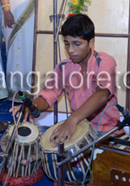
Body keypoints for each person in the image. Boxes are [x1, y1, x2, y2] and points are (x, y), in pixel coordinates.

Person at [11, 14, 120, 144]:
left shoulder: (105, 62)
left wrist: (72, 120)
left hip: (106, 129)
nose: (70, 50)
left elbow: (102, 94)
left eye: (77, 44)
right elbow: (47, 97)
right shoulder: (63, 67)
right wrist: (32, 105)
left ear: (91, 42)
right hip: (78, 128)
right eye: (67, 44)